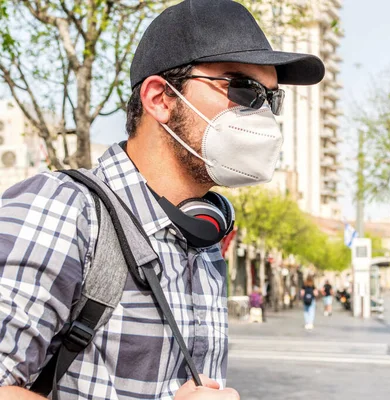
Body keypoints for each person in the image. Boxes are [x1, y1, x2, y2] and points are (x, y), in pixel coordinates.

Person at [0, 0, 325, 398]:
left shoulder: (203, 241)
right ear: (160, 99)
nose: (264, 117)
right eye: (243, 89)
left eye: (271, 99)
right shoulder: (63, 210)